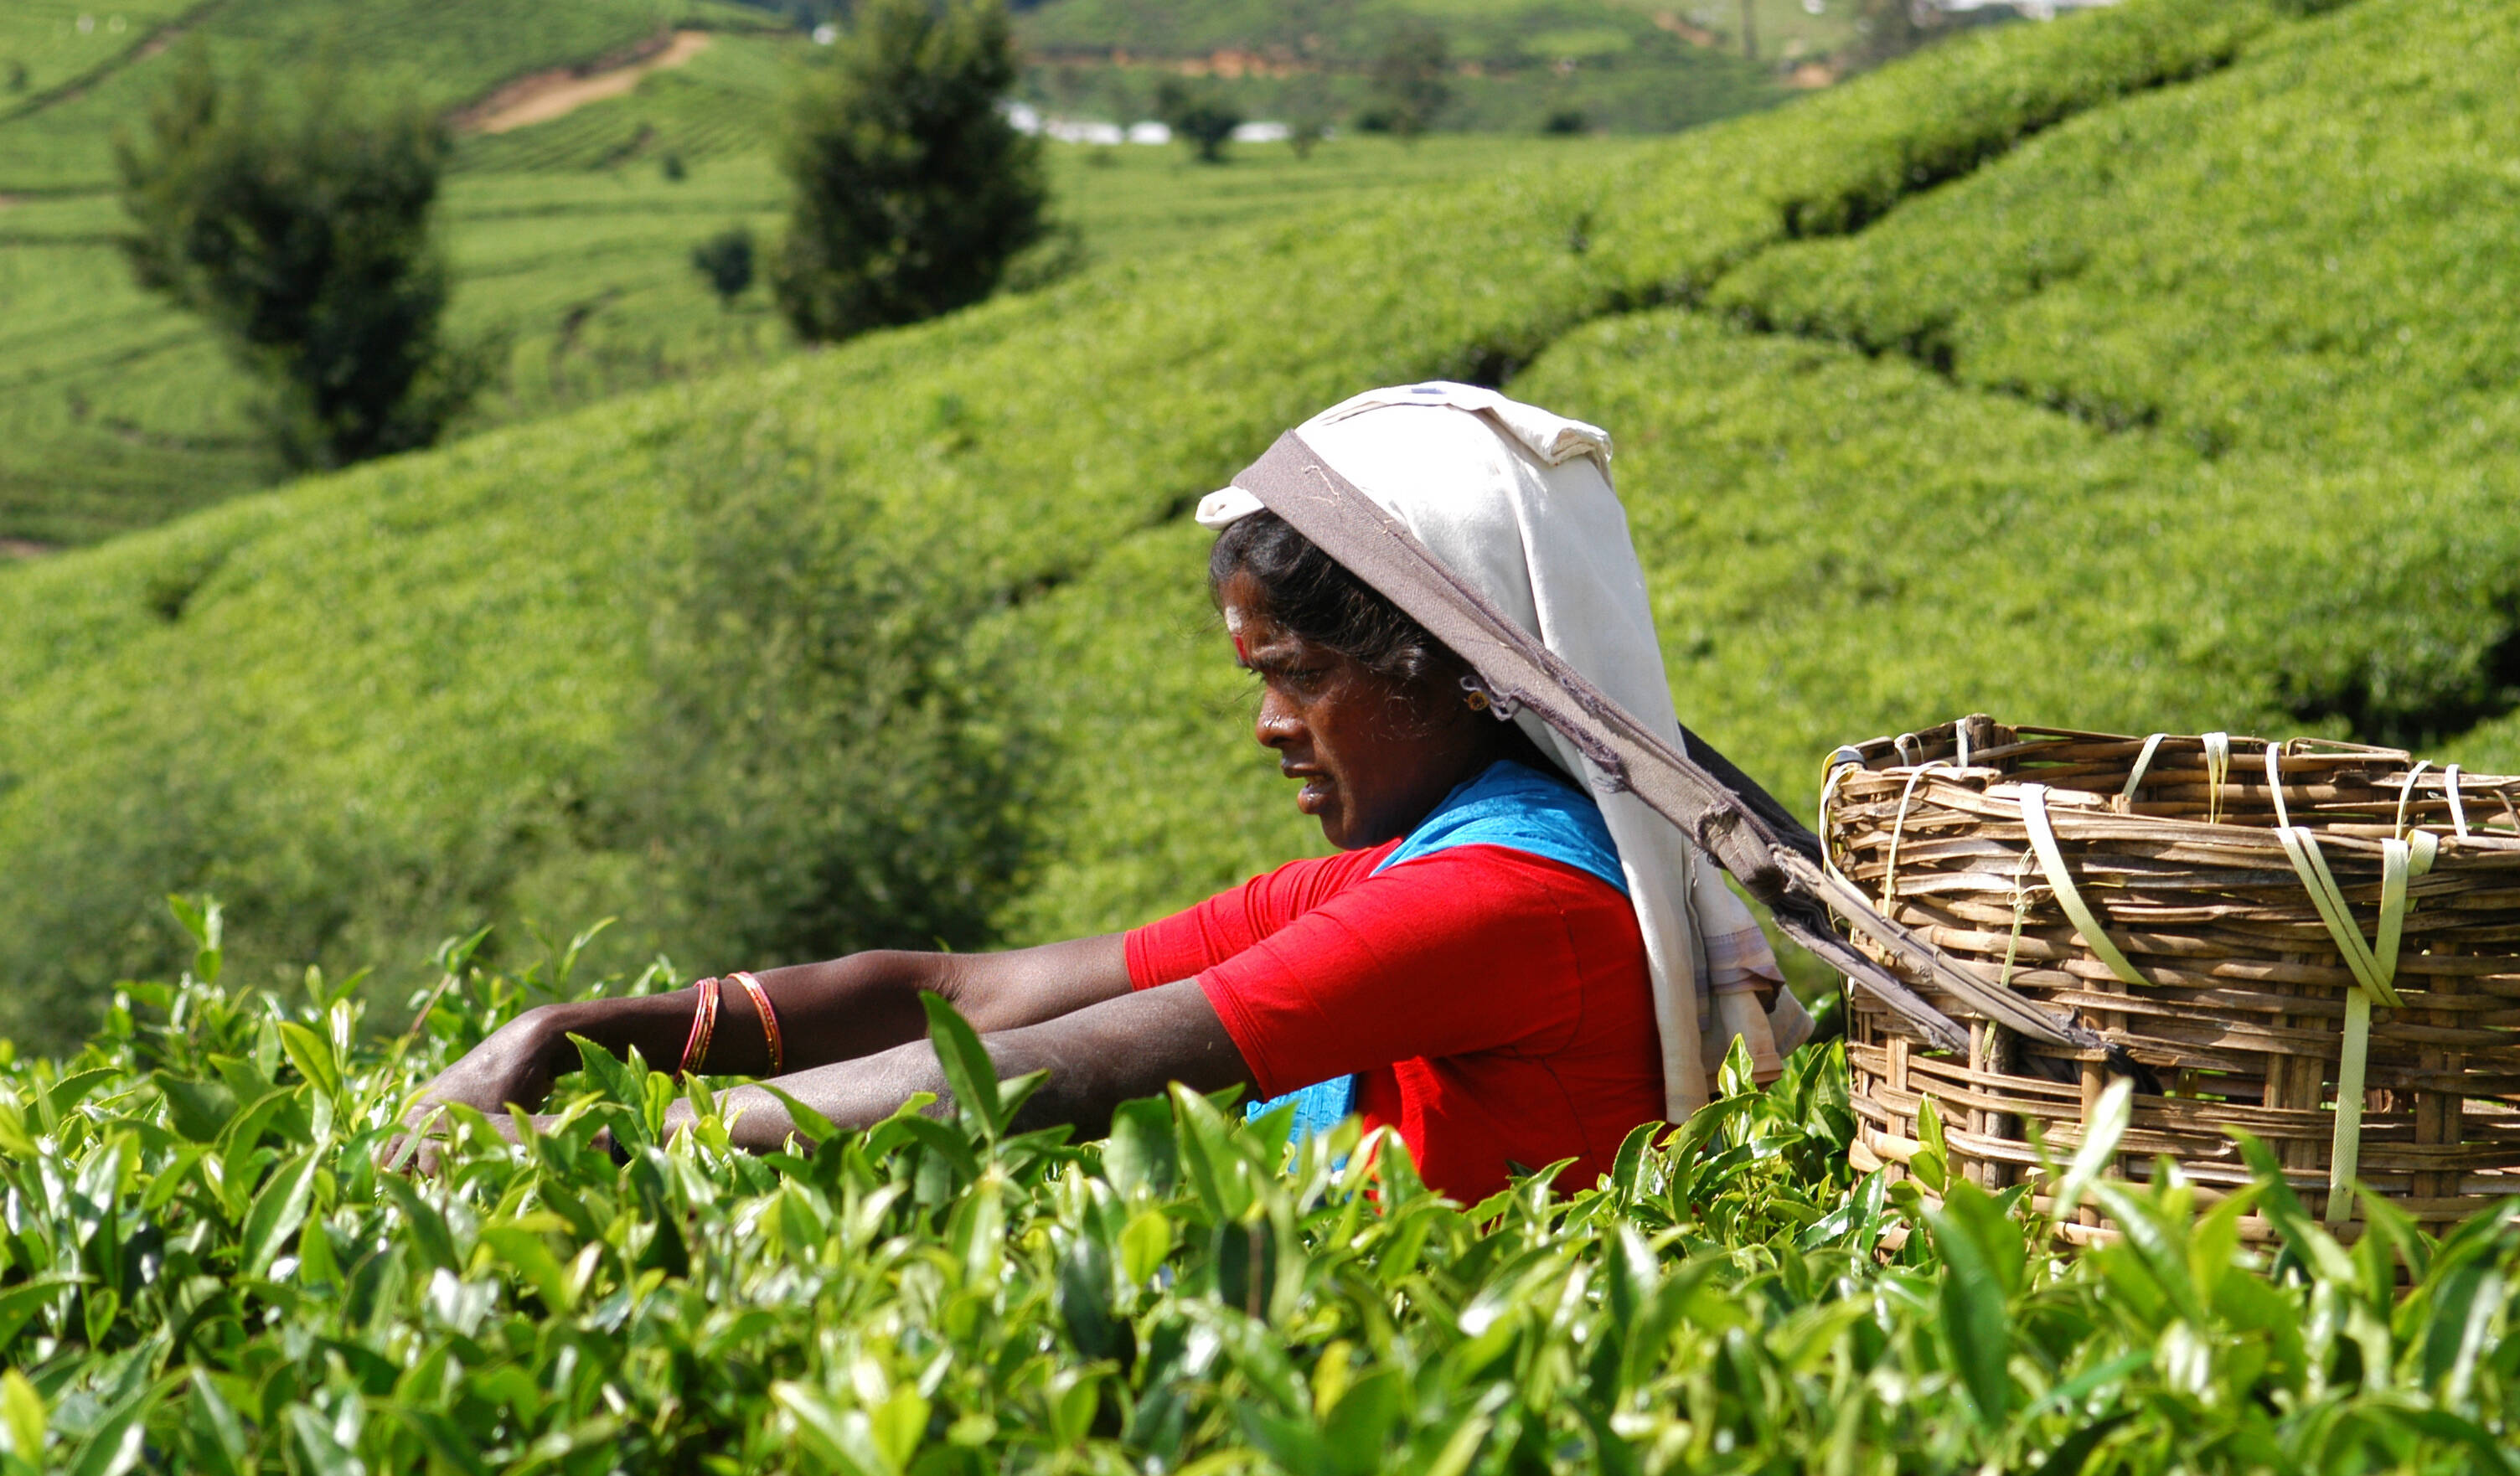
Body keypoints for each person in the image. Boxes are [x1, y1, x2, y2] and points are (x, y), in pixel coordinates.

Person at [406, 384, 1810, 1202]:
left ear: (1454, 673)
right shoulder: (1443, 854)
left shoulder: (1499, 897)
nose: (1270, 727)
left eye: (1301, 675)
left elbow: (1050, 1072)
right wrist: (620, 1028)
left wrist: (625, 1138)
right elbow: (984, 994)